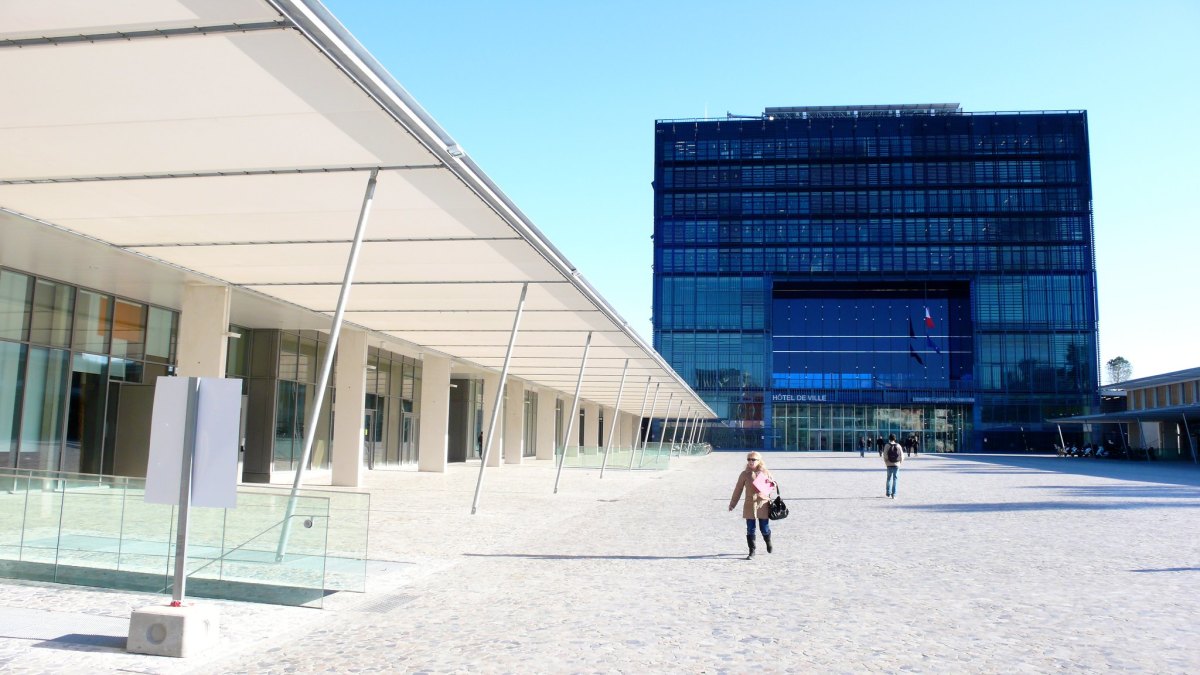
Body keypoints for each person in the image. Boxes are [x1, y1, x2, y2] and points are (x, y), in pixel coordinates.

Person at [729, 451, 776, 560]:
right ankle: (752, 551)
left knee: (764, 528)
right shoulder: (744, 474)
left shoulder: (765, 472)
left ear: (759, 461)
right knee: (750, 529)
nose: (750, 462)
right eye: (749, 459)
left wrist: (768, 485)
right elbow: (738, 489)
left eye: (753, 459)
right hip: (749, 505)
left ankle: (768, 541)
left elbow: (772, 487)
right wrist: (732, 504)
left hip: (762, 504)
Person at [883, 433, 904, 498]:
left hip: (889, 464)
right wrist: (900, 463)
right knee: (895, 479)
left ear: (889, 438)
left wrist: (886, 462)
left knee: (888, 479)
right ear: (895, 438)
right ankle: (894, 494)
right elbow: (902, 455)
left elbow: (885, 455)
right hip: (896, 464)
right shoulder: (898, 445)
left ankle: (888, 493)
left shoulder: (887, 445)